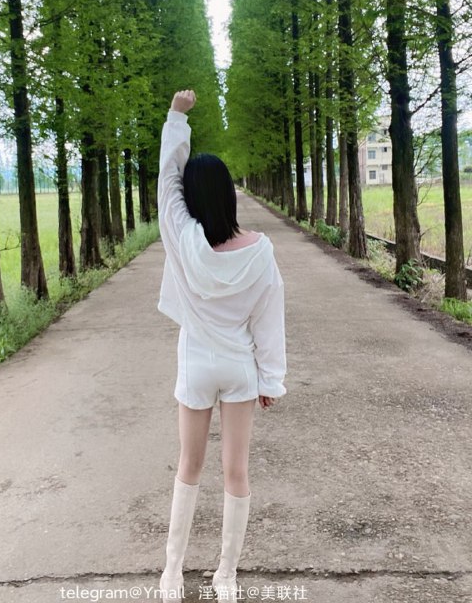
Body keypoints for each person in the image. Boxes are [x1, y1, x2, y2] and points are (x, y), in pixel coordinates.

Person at [157, 89, 287, 601]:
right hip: (239, 367)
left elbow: (168, 181)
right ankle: (226, 576)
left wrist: (178, 118)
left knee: (188, 467)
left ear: (191, 199)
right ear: (230, 195)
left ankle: (172, 573)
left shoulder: (182, 237)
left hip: (195, 362)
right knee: (236, 471)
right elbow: (269, 318)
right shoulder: (260, 252)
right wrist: (271, 378)